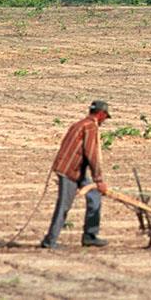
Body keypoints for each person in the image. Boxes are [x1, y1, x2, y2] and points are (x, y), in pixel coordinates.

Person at [41, 100, 112, 249]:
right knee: (64, 206)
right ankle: (50, 241)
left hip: (76, 170)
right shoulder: (90, 127)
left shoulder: (80, 124)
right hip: (69, 171)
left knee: (94, 196)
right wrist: (99, 180)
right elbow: (92, 154)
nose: (104, 120)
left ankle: (90, 236)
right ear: (101, 114)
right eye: (105, 117)